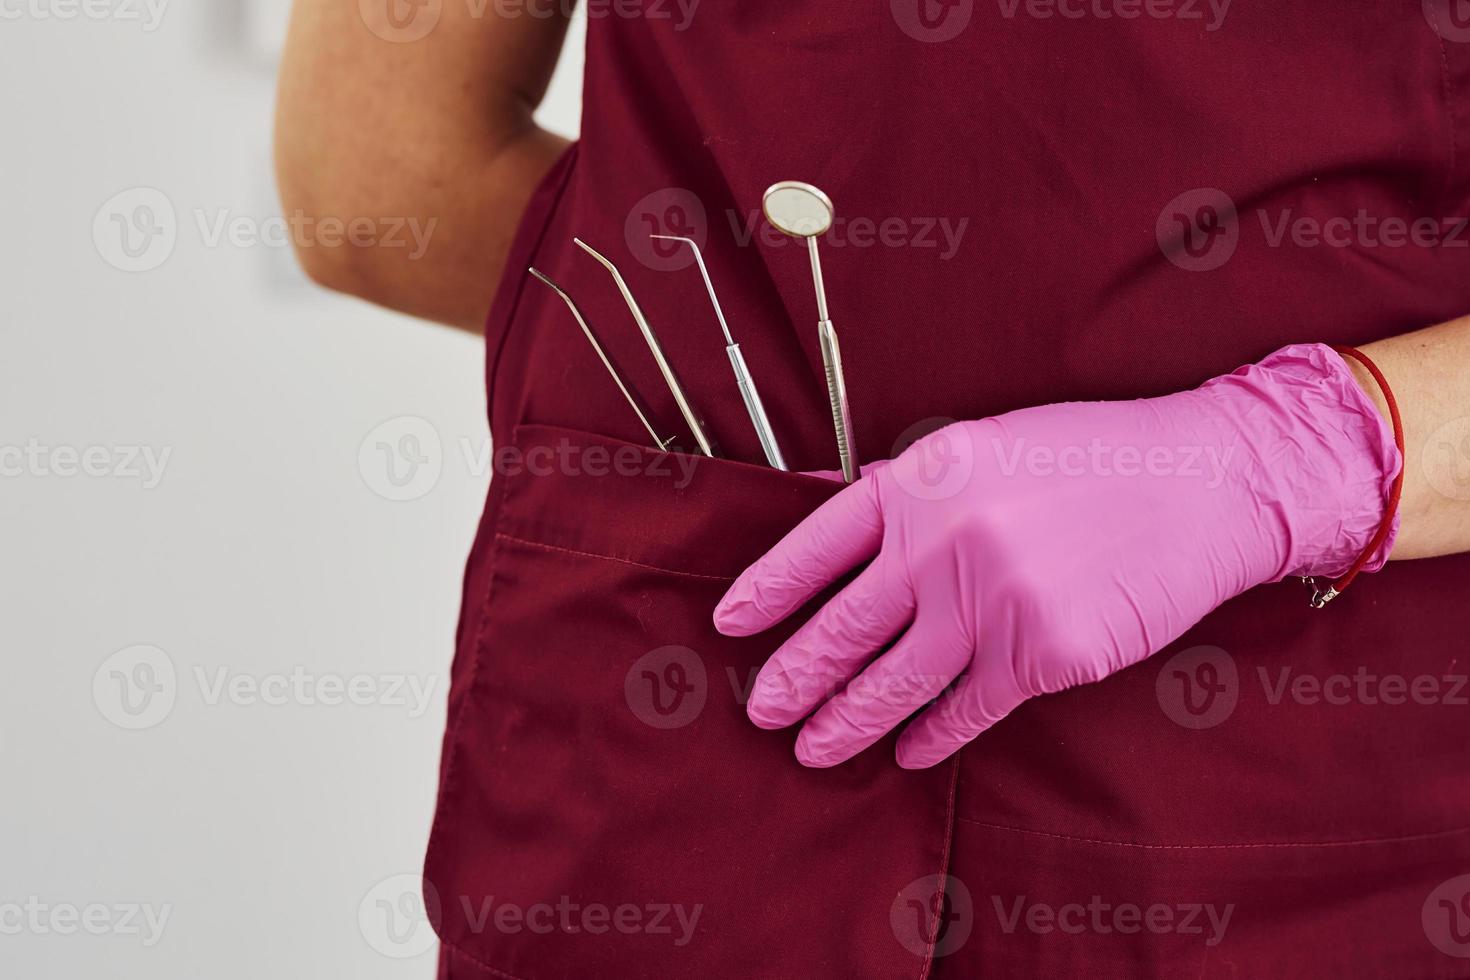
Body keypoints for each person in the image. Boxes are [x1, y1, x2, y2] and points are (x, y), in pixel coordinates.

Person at [277, 2, 1470, 975]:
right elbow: (380, 182)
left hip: (1304, 829)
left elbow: (384, 177)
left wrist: (1288, 459)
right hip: (708, 766)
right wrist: (720, 353)